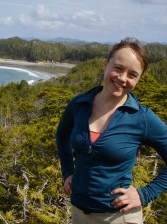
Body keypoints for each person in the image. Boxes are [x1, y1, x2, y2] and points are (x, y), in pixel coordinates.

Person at [56, 37, 167, 224]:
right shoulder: (79, 104)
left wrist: (145, 194)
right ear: (105, 65)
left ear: (138, 79)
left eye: (132, 74)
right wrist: (67, 171)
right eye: (118, 68)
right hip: (78, 212)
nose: (123, 78)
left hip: (119, 217)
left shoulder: (141, 118)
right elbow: (61, 136)